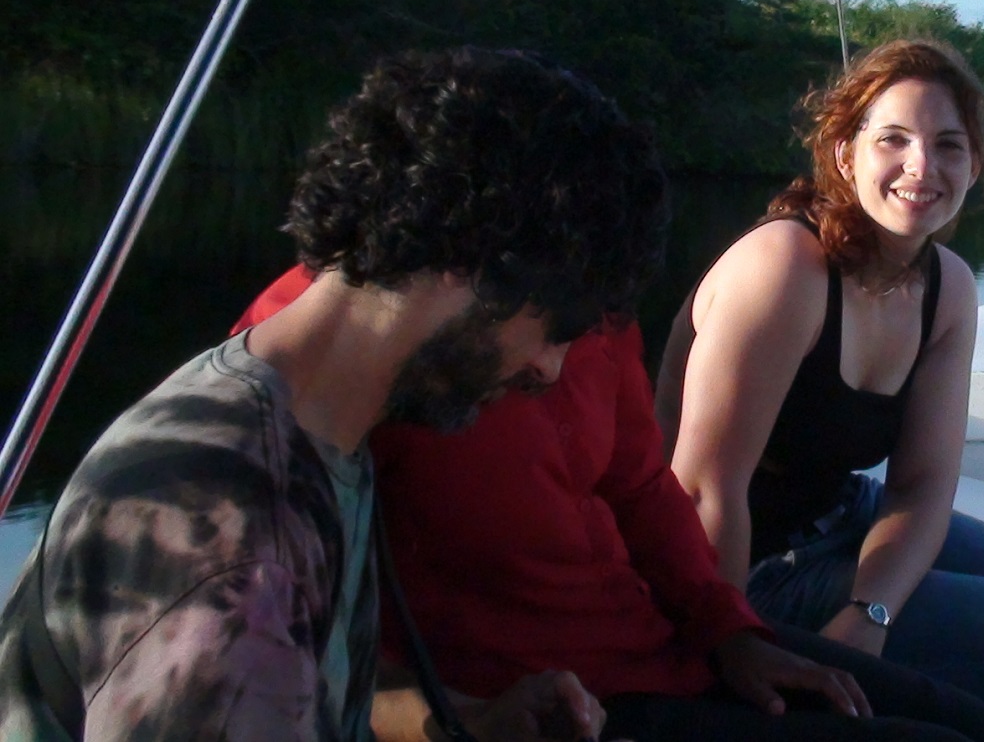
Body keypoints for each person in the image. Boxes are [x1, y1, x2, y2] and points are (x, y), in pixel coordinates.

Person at [0, 48, 670, 741]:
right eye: (558, 326)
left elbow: (302, 689)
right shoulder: (234, 549)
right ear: (468, 258)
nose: (550, 368)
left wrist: (470, 720)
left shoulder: (308, 430)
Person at [236, 264, 984, 742]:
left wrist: (732, 630)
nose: (557, 362)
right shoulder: (329, 344)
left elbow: (641, 486)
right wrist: (457, 717)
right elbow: (285, 642)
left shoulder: (592, 294)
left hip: (664, 639)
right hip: (553, 700)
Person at [656, 39, 984, 742]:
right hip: (744, 569)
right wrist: (726, 652)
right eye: (894, 139)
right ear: (845, 154)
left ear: (975, 166)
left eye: (949, 145)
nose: (922, 166)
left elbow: (920, 486)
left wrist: (872, 611)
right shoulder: (785, 268)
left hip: (841, 518)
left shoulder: (947, 289)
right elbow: (703, 490)